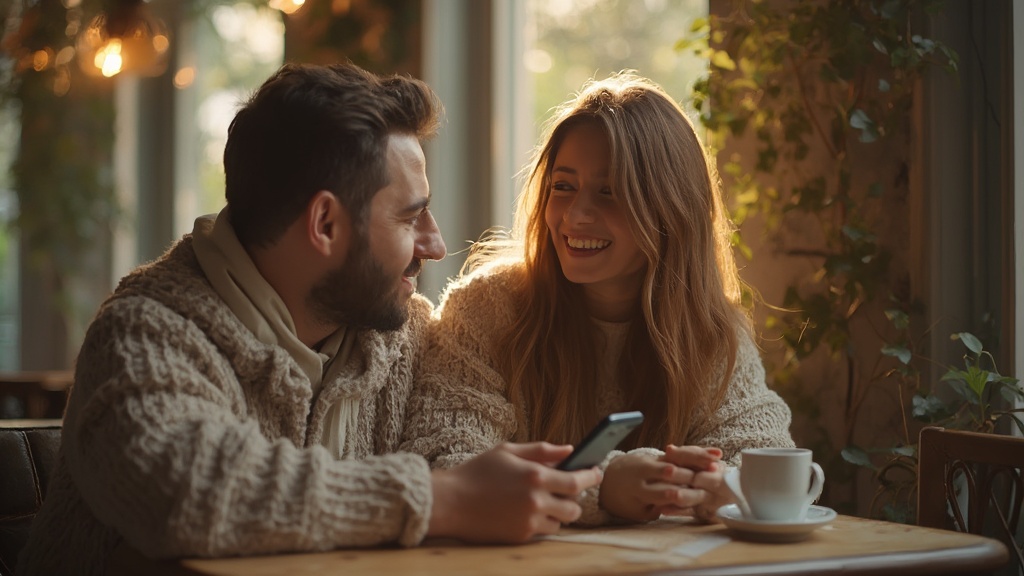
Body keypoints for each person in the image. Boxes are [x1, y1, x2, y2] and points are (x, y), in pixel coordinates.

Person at [17, 62, 601, 576]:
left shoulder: (404, 335)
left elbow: (463, 465)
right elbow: (188, 494)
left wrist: (610, 484)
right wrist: (440, 499)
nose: (436, 243)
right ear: (325, 224)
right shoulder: (147, 332)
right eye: (409, 218)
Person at [400, 72, 795, 525]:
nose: (575, 215)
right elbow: (444, 468)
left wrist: (712, 487)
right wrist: (604, 487)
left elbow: (764, 458)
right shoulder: (487, 309)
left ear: (671, 209)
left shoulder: (711, 331)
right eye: (563, 187)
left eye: (610, 192)